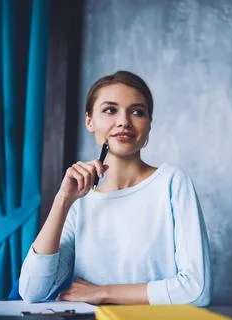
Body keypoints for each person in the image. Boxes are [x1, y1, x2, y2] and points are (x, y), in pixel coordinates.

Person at [19, 71, 211, 306]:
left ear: (149, 124)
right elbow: (32, 291)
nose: (124, 121)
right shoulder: (80, 201)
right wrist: (63, 200)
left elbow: (196, 290)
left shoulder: (171, 182)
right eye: (110, 110)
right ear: (89, 121)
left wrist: (103, 292)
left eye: (137, 112)